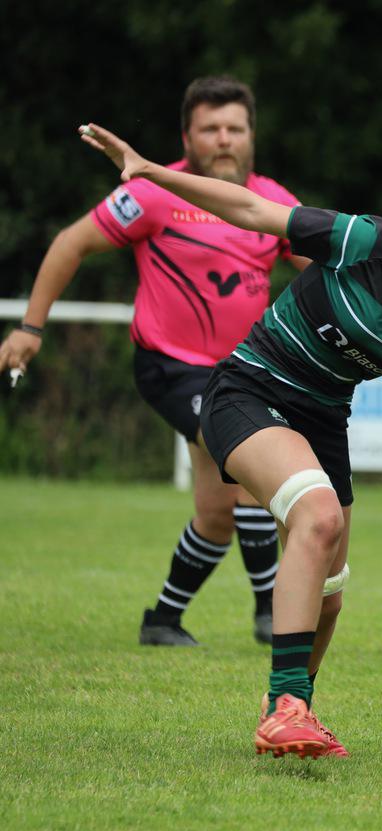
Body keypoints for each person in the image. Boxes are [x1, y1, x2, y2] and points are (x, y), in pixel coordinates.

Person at [78, 122, 382, 759]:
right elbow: (253, 209)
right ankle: (285, 706)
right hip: (248, 389)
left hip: (322, 420)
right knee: (316, 518)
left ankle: (292, 710)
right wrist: (150, 170)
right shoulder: (369, 241)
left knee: (331, 596)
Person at [0, 77, 302, 647]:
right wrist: (30, 327)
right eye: (210, 128)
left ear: (251, 137)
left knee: (216, 513)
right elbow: (71, 243)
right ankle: (272, 616)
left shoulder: (272, 202)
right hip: (172, 367)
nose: (224, 139)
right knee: (250, 467)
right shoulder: (155, 193)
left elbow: (323, 264)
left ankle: (162, 619)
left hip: (242, 371)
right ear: (187, 136)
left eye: (234, 128)